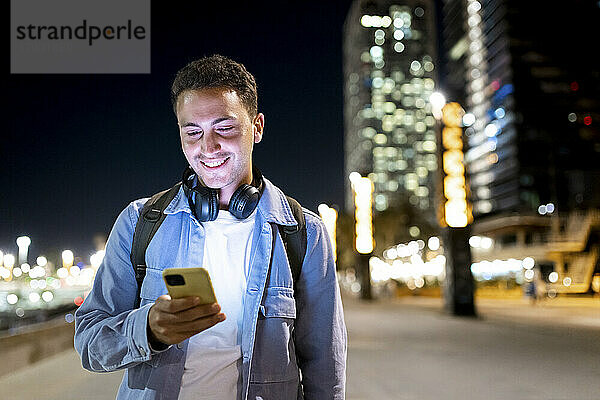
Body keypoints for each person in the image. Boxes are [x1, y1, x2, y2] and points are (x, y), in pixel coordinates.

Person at [74, 55, 347, 400]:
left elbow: (327, 368)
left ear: (257, 127)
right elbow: (88, 340)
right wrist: (148, 329)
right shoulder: (138, 221)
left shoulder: (304, 232)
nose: (208, 147)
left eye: (225, 128)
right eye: (193, 132)